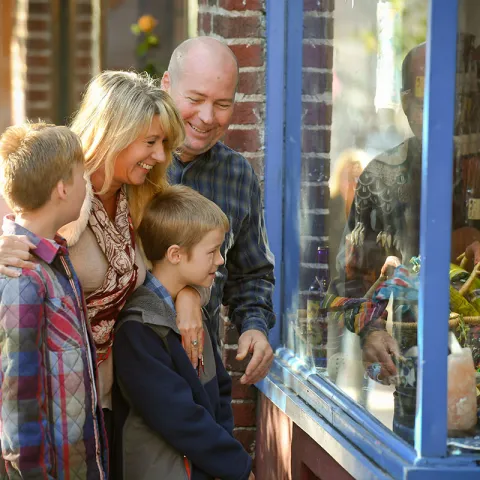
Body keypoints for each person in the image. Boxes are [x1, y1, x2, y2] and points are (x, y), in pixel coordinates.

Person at [0, 71, 209, 453]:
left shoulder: (141, 197)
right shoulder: (56, 187)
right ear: (115, 133)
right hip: (48, 404)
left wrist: (189, 294)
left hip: (111, 400)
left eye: (163, 143)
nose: (160, 156)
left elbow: (185, 258)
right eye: (150, 142)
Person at [334, 43, 480, 443]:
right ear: (405, 101)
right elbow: (349, 284)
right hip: (418, 399)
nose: (444, 113)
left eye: (459, 100)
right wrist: (372, 331)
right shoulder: (379, 179)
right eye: (425, 99)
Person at [113, 185, 254, 480]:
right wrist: (236, 467)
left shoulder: (192, 313)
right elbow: (178, 417)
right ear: (176, 254)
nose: (220, 260)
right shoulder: (138, 329)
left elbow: (219, 388)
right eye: (212, 251)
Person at [162, 37, 276, 385]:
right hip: (126, 377)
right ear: (167, 85)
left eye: (222, 104)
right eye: (195, 100)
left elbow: (251, 274)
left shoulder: (238, 176)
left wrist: (254, 327)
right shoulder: (131, 162)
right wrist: (184, 292)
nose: (207, 117)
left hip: (201, 377)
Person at [0, 122, 107, 478]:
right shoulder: (23, 278)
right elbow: (18, 398)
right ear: (62, 189)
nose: (87, 187)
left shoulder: (55, 261)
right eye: (82, 178)